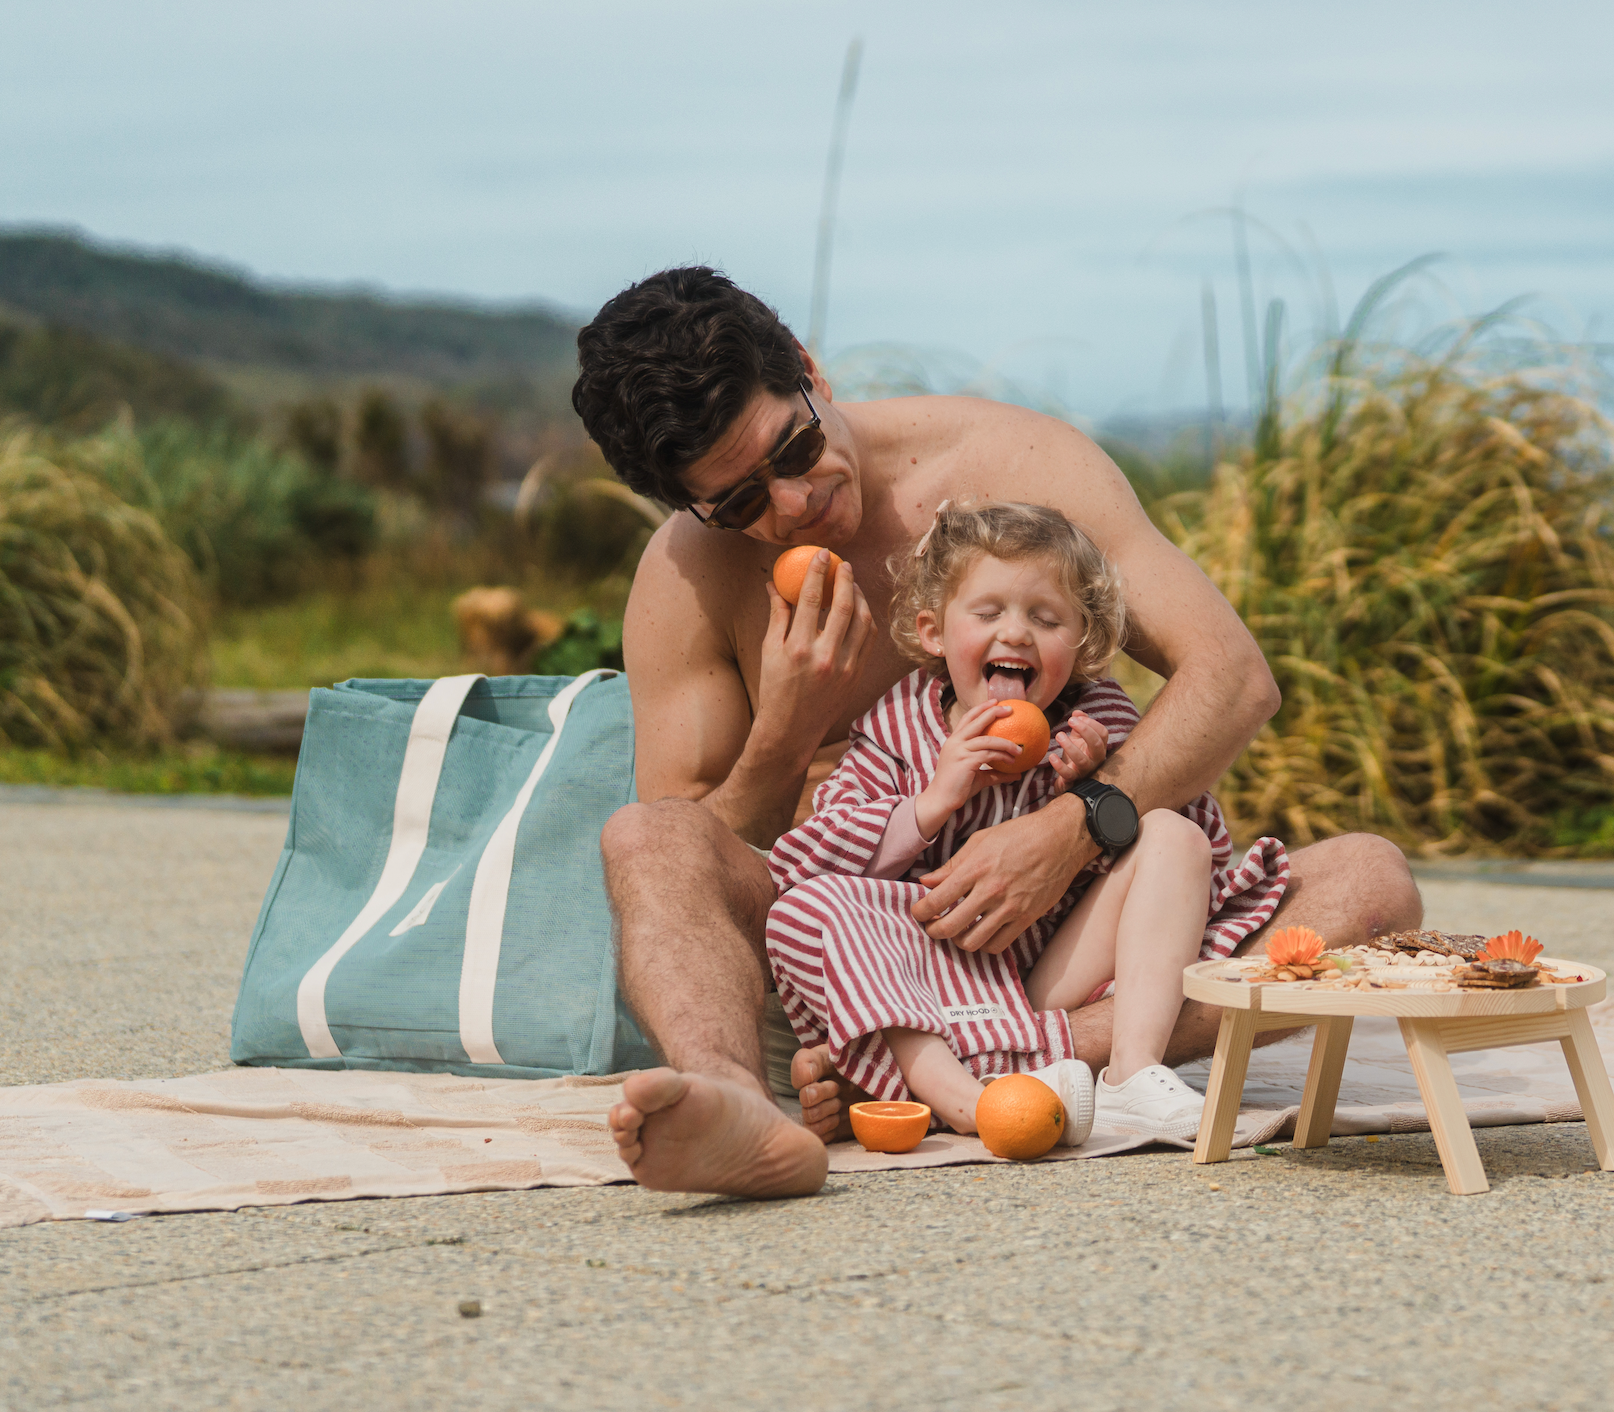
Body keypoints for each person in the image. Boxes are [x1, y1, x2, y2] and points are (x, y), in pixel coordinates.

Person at [576, 267, 1420, 1197]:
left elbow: (1231, 676)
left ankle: (962, 1071)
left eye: (796, 448)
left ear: (809, 372)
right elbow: (692, 855)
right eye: (738, 503)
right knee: (641, 837)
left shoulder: (1016, 467)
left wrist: (1073, 826)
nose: (791, 503)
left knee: (1369, 883)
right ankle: (737, 1105)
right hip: (844, 961)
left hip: (1061, 948)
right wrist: (787, 731)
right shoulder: (686, 582)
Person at [766, 501, 1289, 1143]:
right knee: (806, 908)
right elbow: (806, 861)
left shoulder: (1097, 720)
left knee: (1174, 835)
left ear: (1081, 642)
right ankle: (970, 1100)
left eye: (1046, 619)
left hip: (1052, 973)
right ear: (934, 632)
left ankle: (1131, 1073)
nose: (1015, 634)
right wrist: (931, 802)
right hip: (934, 977)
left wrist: (1097, 792)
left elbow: (1195, 852)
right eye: (988, 613)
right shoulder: (896, 729)